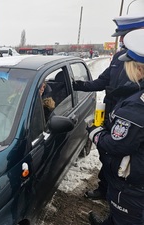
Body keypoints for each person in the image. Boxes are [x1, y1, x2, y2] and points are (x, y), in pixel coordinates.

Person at [72, 15, 144, 201]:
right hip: (113, 115)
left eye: (124, 35)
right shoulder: (119, 58)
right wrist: (75, 85)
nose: (121, 39)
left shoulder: (137, 59)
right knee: (108, 156)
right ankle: (106, 191)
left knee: (123, 159)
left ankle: (119, 202)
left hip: (131, 119)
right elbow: (101, 82)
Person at [87, 29, 144, 225]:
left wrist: (95, 134)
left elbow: (117, 145)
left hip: (133, 186)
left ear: (139, 69)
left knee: (126, 217)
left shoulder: (136, 106)